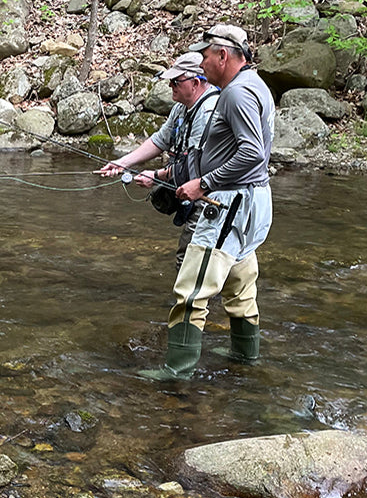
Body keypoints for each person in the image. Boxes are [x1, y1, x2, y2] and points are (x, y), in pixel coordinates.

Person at [143, 24, 275, 380]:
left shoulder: (236, 94)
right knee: (240, 286)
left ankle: (176, 371)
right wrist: (171, 176)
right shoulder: (255, 86)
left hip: (229, 204)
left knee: (191, 289)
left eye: (204, 55)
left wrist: (203, 183)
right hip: (253, 202)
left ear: (223, 55)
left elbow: (253, 152)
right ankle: (245, 358)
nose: (201, 62)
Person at [97, 51, 220, 267]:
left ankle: (196, 301)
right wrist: (122, 163)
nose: (171, 85)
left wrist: (156, 176)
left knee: (191, 261)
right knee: (197, 263)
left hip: (210, 195)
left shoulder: (209, 112)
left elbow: (195, 165)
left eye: (176, 81)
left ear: (196, 82)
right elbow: (160, 140)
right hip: (191, 191)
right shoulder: (181, 108)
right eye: (170, 81)